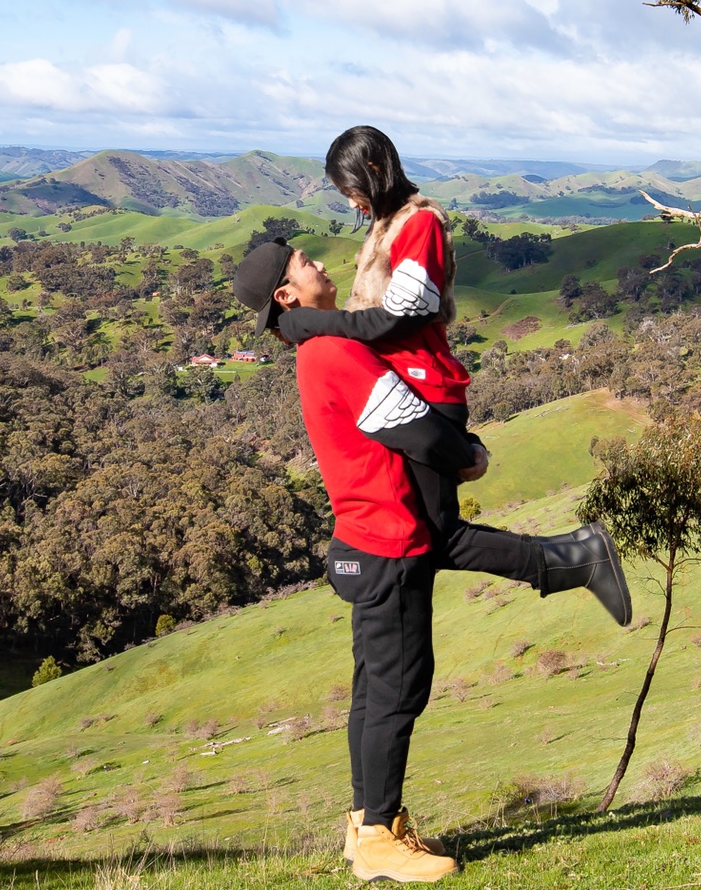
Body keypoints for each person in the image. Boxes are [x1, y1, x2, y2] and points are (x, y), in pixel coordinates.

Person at [233, 239, 629, 883]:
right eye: (307, 264)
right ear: (286, 294)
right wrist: (465, 454)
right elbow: (409, 423)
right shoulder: (332, 351)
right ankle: (380, 841)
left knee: (373, 694)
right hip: (386, 545)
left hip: (373, 539)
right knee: (396, 693)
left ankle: (367, 825)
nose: (322, 266)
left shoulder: (317, 348)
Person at [277, 127, 627, 605]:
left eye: (353, 190)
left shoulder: (419, 225)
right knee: (429, 534)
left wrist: (316, 325)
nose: (354, 203)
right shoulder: (385, 228)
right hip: (407, 389)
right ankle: (577, 557)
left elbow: (400, 315)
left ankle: (580, 559)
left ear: (374, 170)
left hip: (426, 388)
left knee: (434, 537)